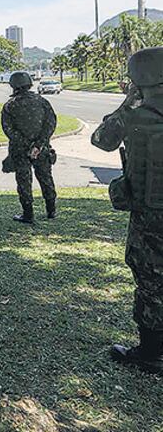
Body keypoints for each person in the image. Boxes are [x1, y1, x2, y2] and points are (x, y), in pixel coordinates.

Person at [91, 46, 163, 376]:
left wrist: (128, 100)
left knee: (150, 280)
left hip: (151, 213)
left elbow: (102, 139)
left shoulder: (134, 113)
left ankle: (150, 352)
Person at [1, 71, 57, 223]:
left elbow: (8, 130)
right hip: (42, 149)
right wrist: (38, 145)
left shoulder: (10, 106)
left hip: (20, 150)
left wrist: (28, 145)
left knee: (24, 181)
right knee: (46, 178)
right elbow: (51, 124)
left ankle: (28, 214)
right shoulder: (42, 101)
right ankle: (51, 211)